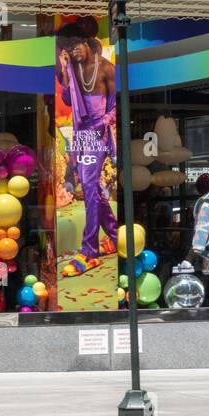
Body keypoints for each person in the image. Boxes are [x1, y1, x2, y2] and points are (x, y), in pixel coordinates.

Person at [57, 19, 117, 267]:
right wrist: (64, 71)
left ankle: (90, 250)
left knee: (91, 186)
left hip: (98, 132)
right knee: (90, 188)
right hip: (82, 133)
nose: (74, 51)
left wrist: (105, 120)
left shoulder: (106, 68)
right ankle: (113, 235)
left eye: (76, 45)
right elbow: (68, 100)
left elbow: (114, 104)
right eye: (68, 49)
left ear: (87, 42)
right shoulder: (73, 70)